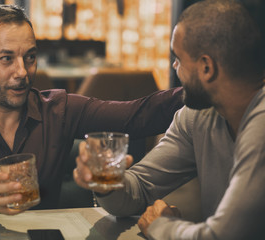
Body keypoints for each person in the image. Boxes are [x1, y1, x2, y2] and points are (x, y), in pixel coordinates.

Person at [0, 3, 183, 221]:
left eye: (30, 57)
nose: (22, 72)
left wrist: (199, 89)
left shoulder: (59, 109)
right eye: (6, 59)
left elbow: (137, 115)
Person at [74, 0, 265, 239]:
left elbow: (221, 235)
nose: (174, 67)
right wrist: (106, 181)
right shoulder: (197, 116)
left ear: (206, 67)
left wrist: (160, 226)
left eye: (178, 58)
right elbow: (139, 188)